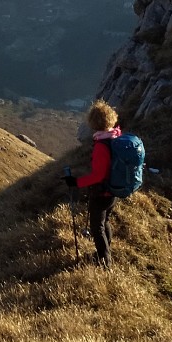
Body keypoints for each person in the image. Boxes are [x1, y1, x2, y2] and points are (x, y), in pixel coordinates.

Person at [64, 99, 122, 268]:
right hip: (114, 189)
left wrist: (75, 182)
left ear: (94, 123)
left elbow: (98, 175)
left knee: (97, 227)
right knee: (106, 222)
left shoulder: (101, 146)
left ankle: (104, 262)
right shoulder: (116, 137)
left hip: (102, 192)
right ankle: (106, 253)